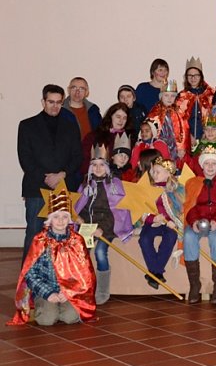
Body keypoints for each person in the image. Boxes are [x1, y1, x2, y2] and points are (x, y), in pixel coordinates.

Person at [9, 190, 96, 326]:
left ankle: (63, 307)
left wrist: (67, 292)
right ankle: (46, 307)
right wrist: (48, 293)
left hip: (69, 290)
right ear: (49, 220)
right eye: (56, 217)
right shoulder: (40, 241)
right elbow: (30, 274)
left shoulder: (76, 241)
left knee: (70, 318)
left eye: (64, 217)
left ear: (69, 219)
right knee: (47, 320)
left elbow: (85, 273)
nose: (60, 221)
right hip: (45, 290)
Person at [17, 84, 83, 263]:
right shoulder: (27, 125)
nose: (55, 106)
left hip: (63, 187)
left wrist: (62, 174)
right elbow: (25, 159)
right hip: (36, 188)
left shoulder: (70, 126)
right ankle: (28, 278)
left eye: (58, 102)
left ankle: (59, 276)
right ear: (43, 101)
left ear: (63, 102)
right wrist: (47, 178)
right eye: (51, 102)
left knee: (62, 235)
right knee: (34, 232)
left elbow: (78, 156)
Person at [74, 145, 132, 305]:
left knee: (100, 252)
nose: (98, 168)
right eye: (94, 165)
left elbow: (118, 211)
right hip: (88, 226)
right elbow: (80, 207)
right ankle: (83, 288)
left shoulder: (114, 184)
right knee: (81, 253)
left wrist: (102, 229)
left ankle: (102, 290)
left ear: (107, 167)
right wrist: (80, 222)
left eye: (101, 165)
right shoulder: (86, 185)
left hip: (106, 227)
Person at [182, 145, 216, 304]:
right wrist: (194, 221)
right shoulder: (193, 182)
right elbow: (189, 206)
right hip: (199, 220)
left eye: (214, 164)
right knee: (189, 236)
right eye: (207, 163)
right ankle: (194, 285)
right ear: (202, 165)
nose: (210, 167)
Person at [138, 157, 183, 288]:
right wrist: (152, 218)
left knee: (171, 236)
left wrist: (173, 221)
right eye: (154, 172)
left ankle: (153, 273)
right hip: (152, 223)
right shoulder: (148, 188)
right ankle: (157, 273)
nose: (154, 174)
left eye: (158, 172)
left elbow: (180, 209)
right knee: (144, 239)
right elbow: (142, 209)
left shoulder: (176, 190)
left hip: (170, 224)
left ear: (168, 174)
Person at [147, 80, 190, 165]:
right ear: (161, 97)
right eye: (166, 95)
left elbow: (184, 131)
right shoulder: (154, 112)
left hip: (176, 151)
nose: (169, 98)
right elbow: (149, 130)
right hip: (159, 150)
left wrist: (182, 147)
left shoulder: (180, 113)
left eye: (172, 96)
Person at [176, 57, 214, 146]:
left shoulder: (210, 94)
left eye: (196, 75)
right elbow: (178, 120)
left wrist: (207, 133)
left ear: (201, 76)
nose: (193, 78)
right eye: (190, 75)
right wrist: (188, 136)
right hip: (188, 138)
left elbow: (213, 116)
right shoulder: (182, 96)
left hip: (207, 137)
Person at [61, 77, 102, 144]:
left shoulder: (93, 110)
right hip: (68, 153)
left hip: (91, 153)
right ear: (68, 90)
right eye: (74, 88)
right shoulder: (60, 111)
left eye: (81, 89)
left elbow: (101, 133)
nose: (77, 92)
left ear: (87, 92)